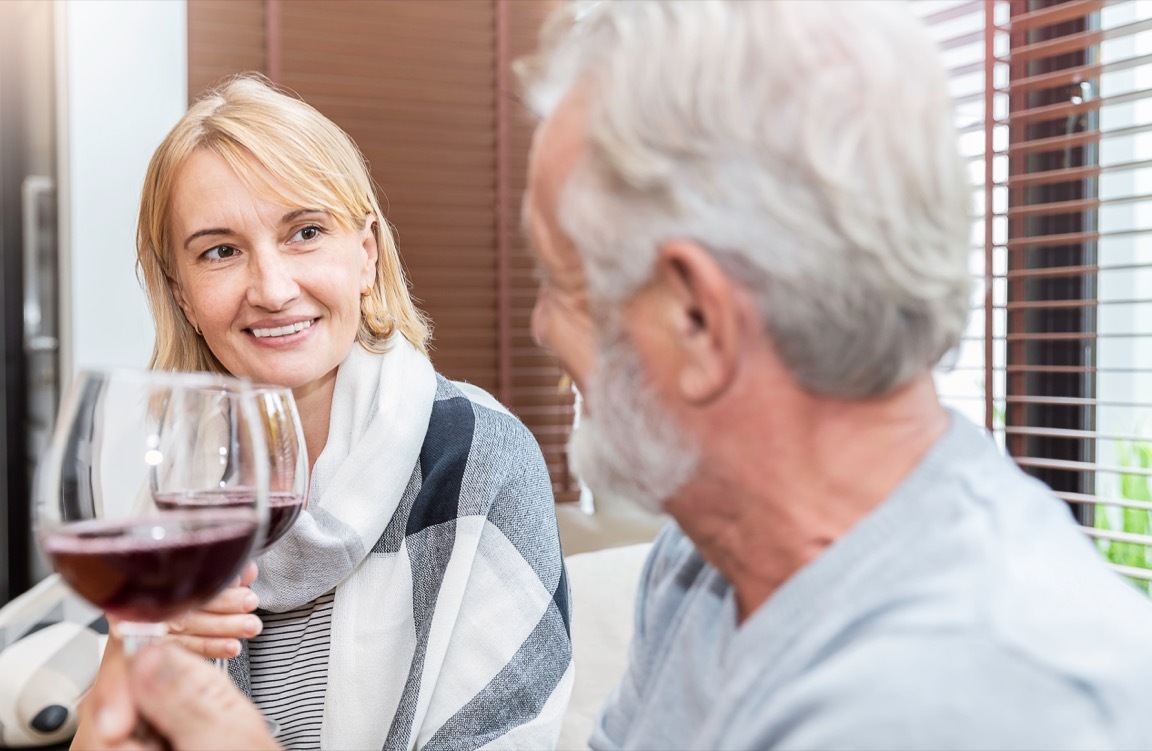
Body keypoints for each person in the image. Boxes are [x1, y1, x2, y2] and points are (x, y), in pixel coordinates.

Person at [77, 1, 1152, 749]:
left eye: (563, 282)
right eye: (217, 250)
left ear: (697, 319)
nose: (541, 332)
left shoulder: (983, 692)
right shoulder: (704, 567)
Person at [71, 74, 572, 751]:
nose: (273, 289)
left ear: (365, 254)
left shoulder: (479, 458)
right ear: (183, 294)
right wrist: (123, 667)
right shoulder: (169, 479)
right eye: (220, 251)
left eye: (305, 231)